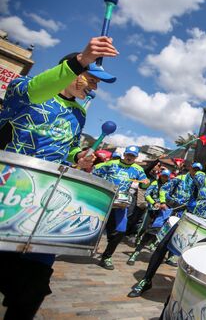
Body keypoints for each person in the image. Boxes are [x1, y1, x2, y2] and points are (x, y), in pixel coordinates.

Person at [0, 36, 118, 319]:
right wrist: (81, 60)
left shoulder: (78, 114)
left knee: (32, 290)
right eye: (92, 78)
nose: (95, 87)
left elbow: (67, 147)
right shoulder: (24, 91)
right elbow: (36, 88)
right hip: (9, 199)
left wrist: (79, 156)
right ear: (73, 70)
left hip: (45, 209)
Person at [127, 162, 206, 297]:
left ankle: (185, 290)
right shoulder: (198, 176)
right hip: (184, 217)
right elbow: (198, 183)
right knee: (161, 245)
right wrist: (163, 202)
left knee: (194, 258)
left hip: (205, 225)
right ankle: (146, 279)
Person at [94, 146, 149, 270]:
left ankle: (106, 257)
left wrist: (145, 183)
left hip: (121, 203)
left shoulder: (138, 169)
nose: (130, 157)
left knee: (120, 231)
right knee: (94, 225)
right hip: (105, 200)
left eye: (133, 156)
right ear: (124, 154)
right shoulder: (111, 164)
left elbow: (144, 183)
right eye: (128, 155)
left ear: (136, 157)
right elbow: (95, 171)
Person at [127, 169, 172, 265]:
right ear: (160, 175)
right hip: (152, 209)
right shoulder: (155, 183)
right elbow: (147, 194)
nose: (164, 178)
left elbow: (169, 197)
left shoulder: (169, 185)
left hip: (162, 212)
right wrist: (154, 203)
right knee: (143, 228)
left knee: (157, 230)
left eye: (166, 176)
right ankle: (138, 239)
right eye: (163, 175)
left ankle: (149, 245)